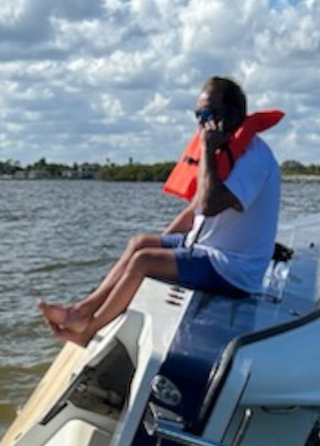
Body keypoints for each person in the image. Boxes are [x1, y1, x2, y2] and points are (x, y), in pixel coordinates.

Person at [40, 77, 281, 346]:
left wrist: (207, 149)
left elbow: (210, 204)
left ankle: (88, 332)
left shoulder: (254, 158)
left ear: (235, 115)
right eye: (198, 115)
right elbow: (195, 210)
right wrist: (165, 248)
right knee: (140, 244)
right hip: (205, 249)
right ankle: (83, 310)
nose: (203, 124)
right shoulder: (224, 151)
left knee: (145, 261)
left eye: (210, 115)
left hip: (233, 268)